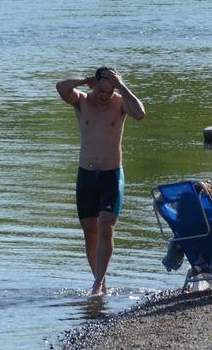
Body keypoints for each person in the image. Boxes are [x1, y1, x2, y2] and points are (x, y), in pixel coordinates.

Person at [56, 67, 146, 295]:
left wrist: (122, 86)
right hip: (86, 175)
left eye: (109, 92)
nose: (104, 97)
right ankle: (100, 281)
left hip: (111, 175)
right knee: (90, 231)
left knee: (106, 227)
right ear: (93, 86)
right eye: (101, 91)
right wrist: (86, 79)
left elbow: (140, 114)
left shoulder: (120, 103)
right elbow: (61, 87)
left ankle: (97, 284)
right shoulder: (83, 101)